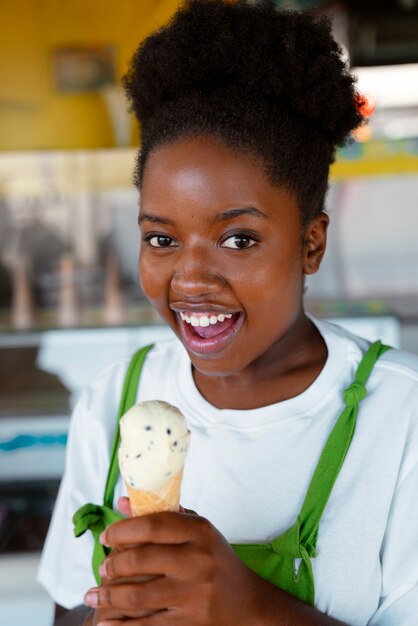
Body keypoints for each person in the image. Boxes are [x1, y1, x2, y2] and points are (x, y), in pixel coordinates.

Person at [37, 1, 418, 625]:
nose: (189, 279)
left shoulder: (401, 420)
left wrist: (250, 607)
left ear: (311, 243)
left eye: (238, 240)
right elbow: (67, 611)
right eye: (161, 239)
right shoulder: (115, 400)